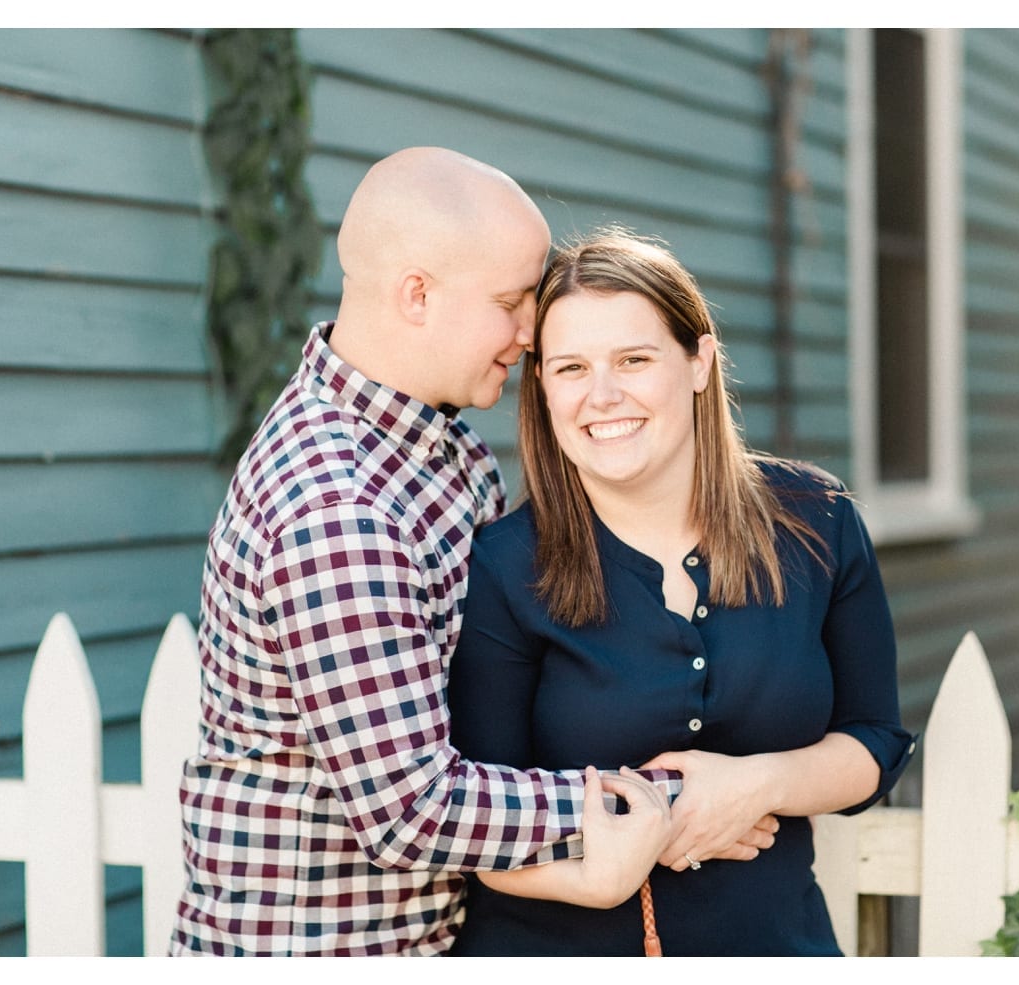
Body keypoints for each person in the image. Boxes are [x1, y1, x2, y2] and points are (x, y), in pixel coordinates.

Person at [170, 150, 760, 957]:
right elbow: (411, 806)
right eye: (514, 302)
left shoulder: (435, 452)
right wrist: (662, 796)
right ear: (418, 294)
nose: (531, 334)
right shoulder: (340, 507)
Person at [446, 229, 916, 956]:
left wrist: (756, 784)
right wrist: (651, 829)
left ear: (698, 361)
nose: (603, 395)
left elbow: (875, 741)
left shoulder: (816, 522)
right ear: (542, 387)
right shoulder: (507, 568)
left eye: (634, 359)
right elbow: (478, 825)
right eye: (570, 367)